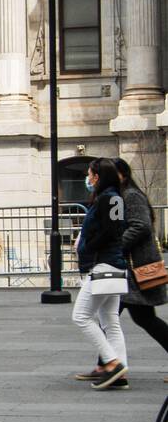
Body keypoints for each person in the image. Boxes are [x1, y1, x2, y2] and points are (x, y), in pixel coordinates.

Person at [71, 158, 129, 390]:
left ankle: (113, 363)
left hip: (103, 265)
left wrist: (87, 246)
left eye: (90, 174)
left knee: (81, 316)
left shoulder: (107, 198)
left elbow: (109, 232)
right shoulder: (114, 197)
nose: (88, 178)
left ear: (98, 176)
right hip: (114, 264)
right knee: (110, 319)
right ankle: (120, 371)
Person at [112, 159, 168, 377]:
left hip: (134, 270)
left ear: (122, 174)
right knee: (115, 317)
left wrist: (117, 246)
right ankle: (107, 365)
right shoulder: (121, 196)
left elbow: (141, 226)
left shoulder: (131, 196)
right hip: (126, 272)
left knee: (129, 318)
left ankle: (109, 366)